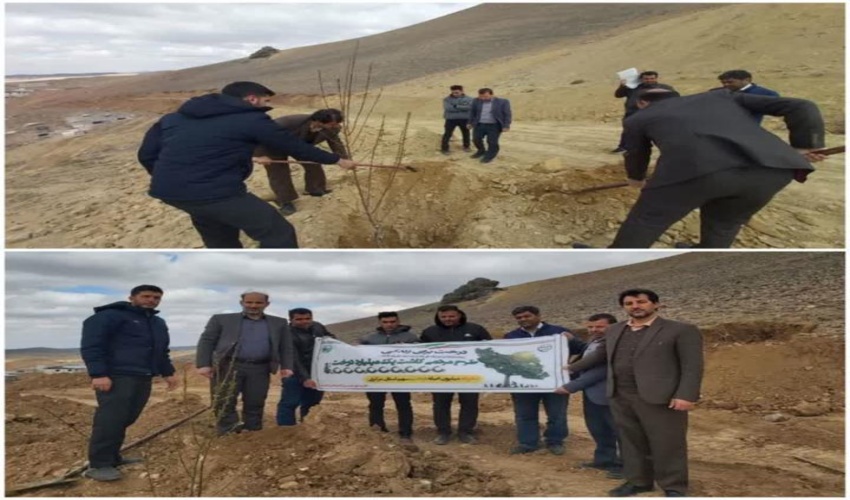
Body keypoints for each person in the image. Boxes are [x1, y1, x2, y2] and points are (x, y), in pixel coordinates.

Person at [137, 81, 358, 249]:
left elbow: (147, 154)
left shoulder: (172, 119)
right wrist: (337, 160)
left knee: (219, 235)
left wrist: (168, 179)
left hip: (169, 191)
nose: (266, 105)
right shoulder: (251, 119)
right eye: (265, 100)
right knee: (278, 233)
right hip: (216, 192)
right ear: (252, 99)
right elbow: (294, 146)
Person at [601, 88, 826, 248]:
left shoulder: (639, 118)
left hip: (696, 171)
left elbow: (637, 152)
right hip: (773, 170)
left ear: (641, 102)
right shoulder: (720, 96)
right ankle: (705, 253)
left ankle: (616, 255)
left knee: (648, 220)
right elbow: (802, 106)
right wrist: (805, 145)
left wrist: (636, 178)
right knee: (724, 224)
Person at [603, 289, 703, 497]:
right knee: (631, 442)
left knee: (668, 444)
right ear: (624, 307)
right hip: (620, 396)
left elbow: (692, 365)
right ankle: (638, 482)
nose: (635, 306)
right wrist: (568, 368)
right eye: (629, 303)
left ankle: (674, 486)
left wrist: (686, 395)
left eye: (641, 302)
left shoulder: (681, 330)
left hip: (661, 397)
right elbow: (601, 356)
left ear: (656, 304)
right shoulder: (614, 330)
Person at [80, 285, 179, 482]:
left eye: (156, 297)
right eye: (146, 296)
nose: (151, 300)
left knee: (127, 417)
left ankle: (113, 457)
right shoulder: (109, 316)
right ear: (131, 297)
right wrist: (98, 374)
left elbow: (161, 351)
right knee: (111, 419)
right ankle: (99, 464)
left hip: (143, 376)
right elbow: (92, 346)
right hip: (117, 376)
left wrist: (168, 372)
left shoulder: (157, 322)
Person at [195, 291, 294, 435]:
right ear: (242, 303)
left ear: (267, 304)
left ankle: (252, 433)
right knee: (224, 401)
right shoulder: (221, 319)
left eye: (258, 303)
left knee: (256, 402)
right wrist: (203, 364)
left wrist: (287, 366)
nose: (253, 306)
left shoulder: (279, 323)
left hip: (260, 368)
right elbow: (207, 341)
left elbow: (286, 346)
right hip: (228, 367)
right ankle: (229, 433)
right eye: (249, 302)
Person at [504, 305, 586, 455]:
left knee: (557, 414)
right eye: (519, 318)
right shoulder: (511, 336)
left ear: (538, 316)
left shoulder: (558, 331)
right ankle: (528, 443)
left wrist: (572, 341)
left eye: (527, 316)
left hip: (555, 383)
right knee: (524, 414)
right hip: (524, 384)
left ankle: (555, 441)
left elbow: (582, 350)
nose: (523, 320)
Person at [555, 313, 623, 478]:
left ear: (612, 327)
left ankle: (627, 466)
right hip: (592, 396)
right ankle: (604, 460)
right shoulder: (594, 341)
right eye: (590, 327)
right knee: (599, 430)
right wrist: (572, 340)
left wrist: (570, 386)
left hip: (610, 395)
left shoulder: (617, 344)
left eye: (599, 327)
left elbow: (600, 371)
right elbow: (587, 355)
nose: (594, 330)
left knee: (621, 433)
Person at [253, 109, 349, 216]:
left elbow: (335, 142)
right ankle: (285, 201)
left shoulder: (332, 128)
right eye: (333, 124)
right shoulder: (288, 123)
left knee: (313, 161)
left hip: (300, 146)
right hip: (273, 146)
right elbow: (260, 135)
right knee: (278, 172)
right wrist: (259, 155)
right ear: (319, 121)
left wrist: (344, 158)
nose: (336, 127)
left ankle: (315, 189)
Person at [419, 305, 492, 444]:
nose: (447, 319)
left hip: (470, 375)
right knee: (440, 404)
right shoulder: (430, 332)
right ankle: (443, 432)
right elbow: (419, 352)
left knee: (469, 403)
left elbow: (489, 349)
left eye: (451, 316)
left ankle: (465, 432)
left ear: (459, 315)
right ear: (438, 317)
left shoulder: (476, 329)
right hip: (440, 376)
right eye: (443, 317)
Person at [359, 311, 419, 442]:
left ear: (398, 321)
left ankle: (405, 433)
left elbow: (419, 356)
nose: (389, 325)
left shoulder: (410, 337)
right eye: (385, 322)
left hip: (400, 377)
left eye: (392, 322)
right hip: (375, 377)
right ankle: (377, 430)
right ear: (380, 323)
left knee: (403, 404)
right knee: (375, 404)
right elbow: (360, 356)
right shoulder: (369, 339)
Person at [276, 308, 335, 426]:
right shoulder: (286, 334)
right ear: (291, 320)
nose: (304, 322)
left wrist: (330, 340)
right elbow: (294, 359)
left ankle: (307, 427)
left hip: (316, 372)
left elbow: (330, 338)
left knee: (312, 402)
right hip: (294, 373)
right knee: (290, 402)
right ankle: (286, 430)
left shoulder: (317, 327)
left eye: (308, 318)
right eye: (299, 319)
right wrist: (305, 378)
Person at [612, 71, 676, 152]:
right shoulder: (633, 87)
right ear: (641, 79)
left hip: (656, 114)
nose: (649, 80)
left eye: (652, 78)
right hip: (634, 113)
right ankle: (624, 147)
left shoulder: (665, 88)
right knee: (629, 130)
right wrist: (622, 86)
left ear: (656, 78)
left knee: (660, 131)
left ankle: (668, 148)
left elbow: (674, 98)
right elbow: (618, 95)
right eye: (646, 79)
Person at [467, 88, 512, 163]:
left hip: (494, 125)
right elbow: (472, 113)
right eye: (481, 96)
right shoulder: (476, 101)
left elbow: (507, 114)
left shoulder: (503, 102)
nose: (483, 98)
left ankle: (490, 155)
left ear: (492, 94)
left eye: (485, 96)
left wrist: (506, 125)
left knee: (492, 142)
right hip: (479, 124)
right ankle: (481, 151)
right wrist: (470, 123)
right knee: (476, 139)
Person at [441, 85, 473, 154]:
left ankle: (466, 146)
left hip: (464, 119)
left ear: (462, 91)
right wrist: (463, 107)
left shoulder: (469, 99)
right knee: (447, 134)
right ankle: (444, 149)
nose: (455, 94)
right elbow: (448, 108)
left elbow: (470, 107)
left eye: (457, 92)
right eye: (453, 92)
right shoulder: (447, 99)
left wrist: (455, 106)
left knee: (466, 133)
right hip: (451, 119)